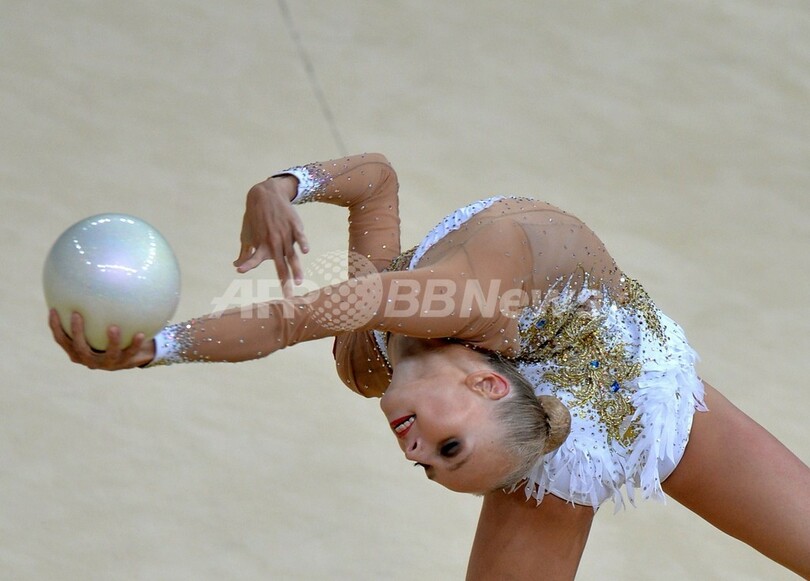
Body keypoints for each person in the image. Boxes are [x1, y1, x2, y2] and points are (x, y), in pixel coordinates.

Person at [49, 153, 810, 579]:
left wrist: (162, 343)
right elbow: (357, 205)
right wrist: (282, 187)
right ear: (487, 382)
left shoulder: (374, 362)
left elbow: (362, 199)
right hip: (600, 363)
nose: (414, 449)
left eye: (430, 463)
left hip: (630, 366)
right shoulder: (454, 300)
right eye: (450, 450)